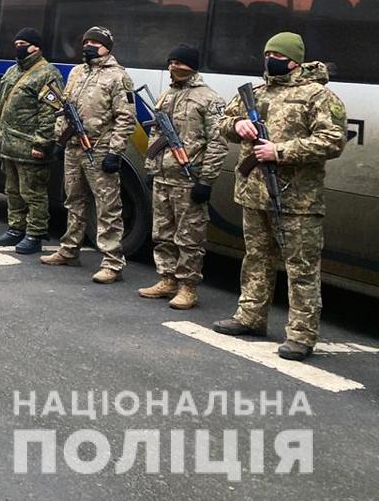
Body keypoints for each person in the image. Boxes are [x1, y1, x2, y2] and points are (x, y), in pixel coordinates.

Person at [212, 32, 346, 361]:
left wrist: (280, 151)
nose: (270, 59)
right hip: (254, 193)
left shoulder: (318, 96)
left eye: (277, 54)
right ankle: (250, 317)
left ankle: (301, 334)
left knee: (301, 267)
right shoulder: (255, 92)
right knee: (256, 260)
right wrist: (238, 124)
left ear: (294, 61)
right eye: (267, 53)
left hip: (297, 199)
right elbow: (222, 122)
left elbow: (333, 140)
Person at [43, 26, 136, 283]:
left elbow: (126, 118)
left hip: (99, 149)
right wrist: (59, 138)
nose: (90, 46)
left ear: (107, 47)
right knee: (73, 200)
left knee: (107, 207)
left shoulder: (118, 77)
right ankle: (69, 249)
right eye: (86, 41)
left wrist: (115, 152)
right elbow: (64, 108)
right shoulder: (77, 72)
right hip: (73, 147)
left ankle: (112, 263)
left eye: (96, 42)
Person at [138, 44, 228, 310]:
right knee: (162, 233)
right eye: (171, 62)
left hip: (189, 178)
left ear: (192, 66)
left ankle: (188, 287)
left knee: (189, 237)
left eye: (179, 62)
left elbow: (218, 143)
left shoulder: (208, 98)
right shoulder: (166, 95)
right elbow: (155, 135)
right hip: (164, 175)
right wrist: (151, 168)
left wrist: (206, 180)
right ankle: (167, 279)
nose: (174, 67)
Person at [0, 28, 63, 253]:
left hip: (29, 145)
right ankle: (16, 228)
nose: (18, 47)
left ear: (36, 47)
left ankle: (35, 233)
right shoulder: (13, 70)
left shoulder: (47, 73)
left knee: (33, 192)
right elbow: (1, 103)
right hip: (8, 143)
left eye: (23, 43)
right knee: (12, 190)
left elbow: (50, 112)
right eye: (17, 43)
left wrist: (41, 143)